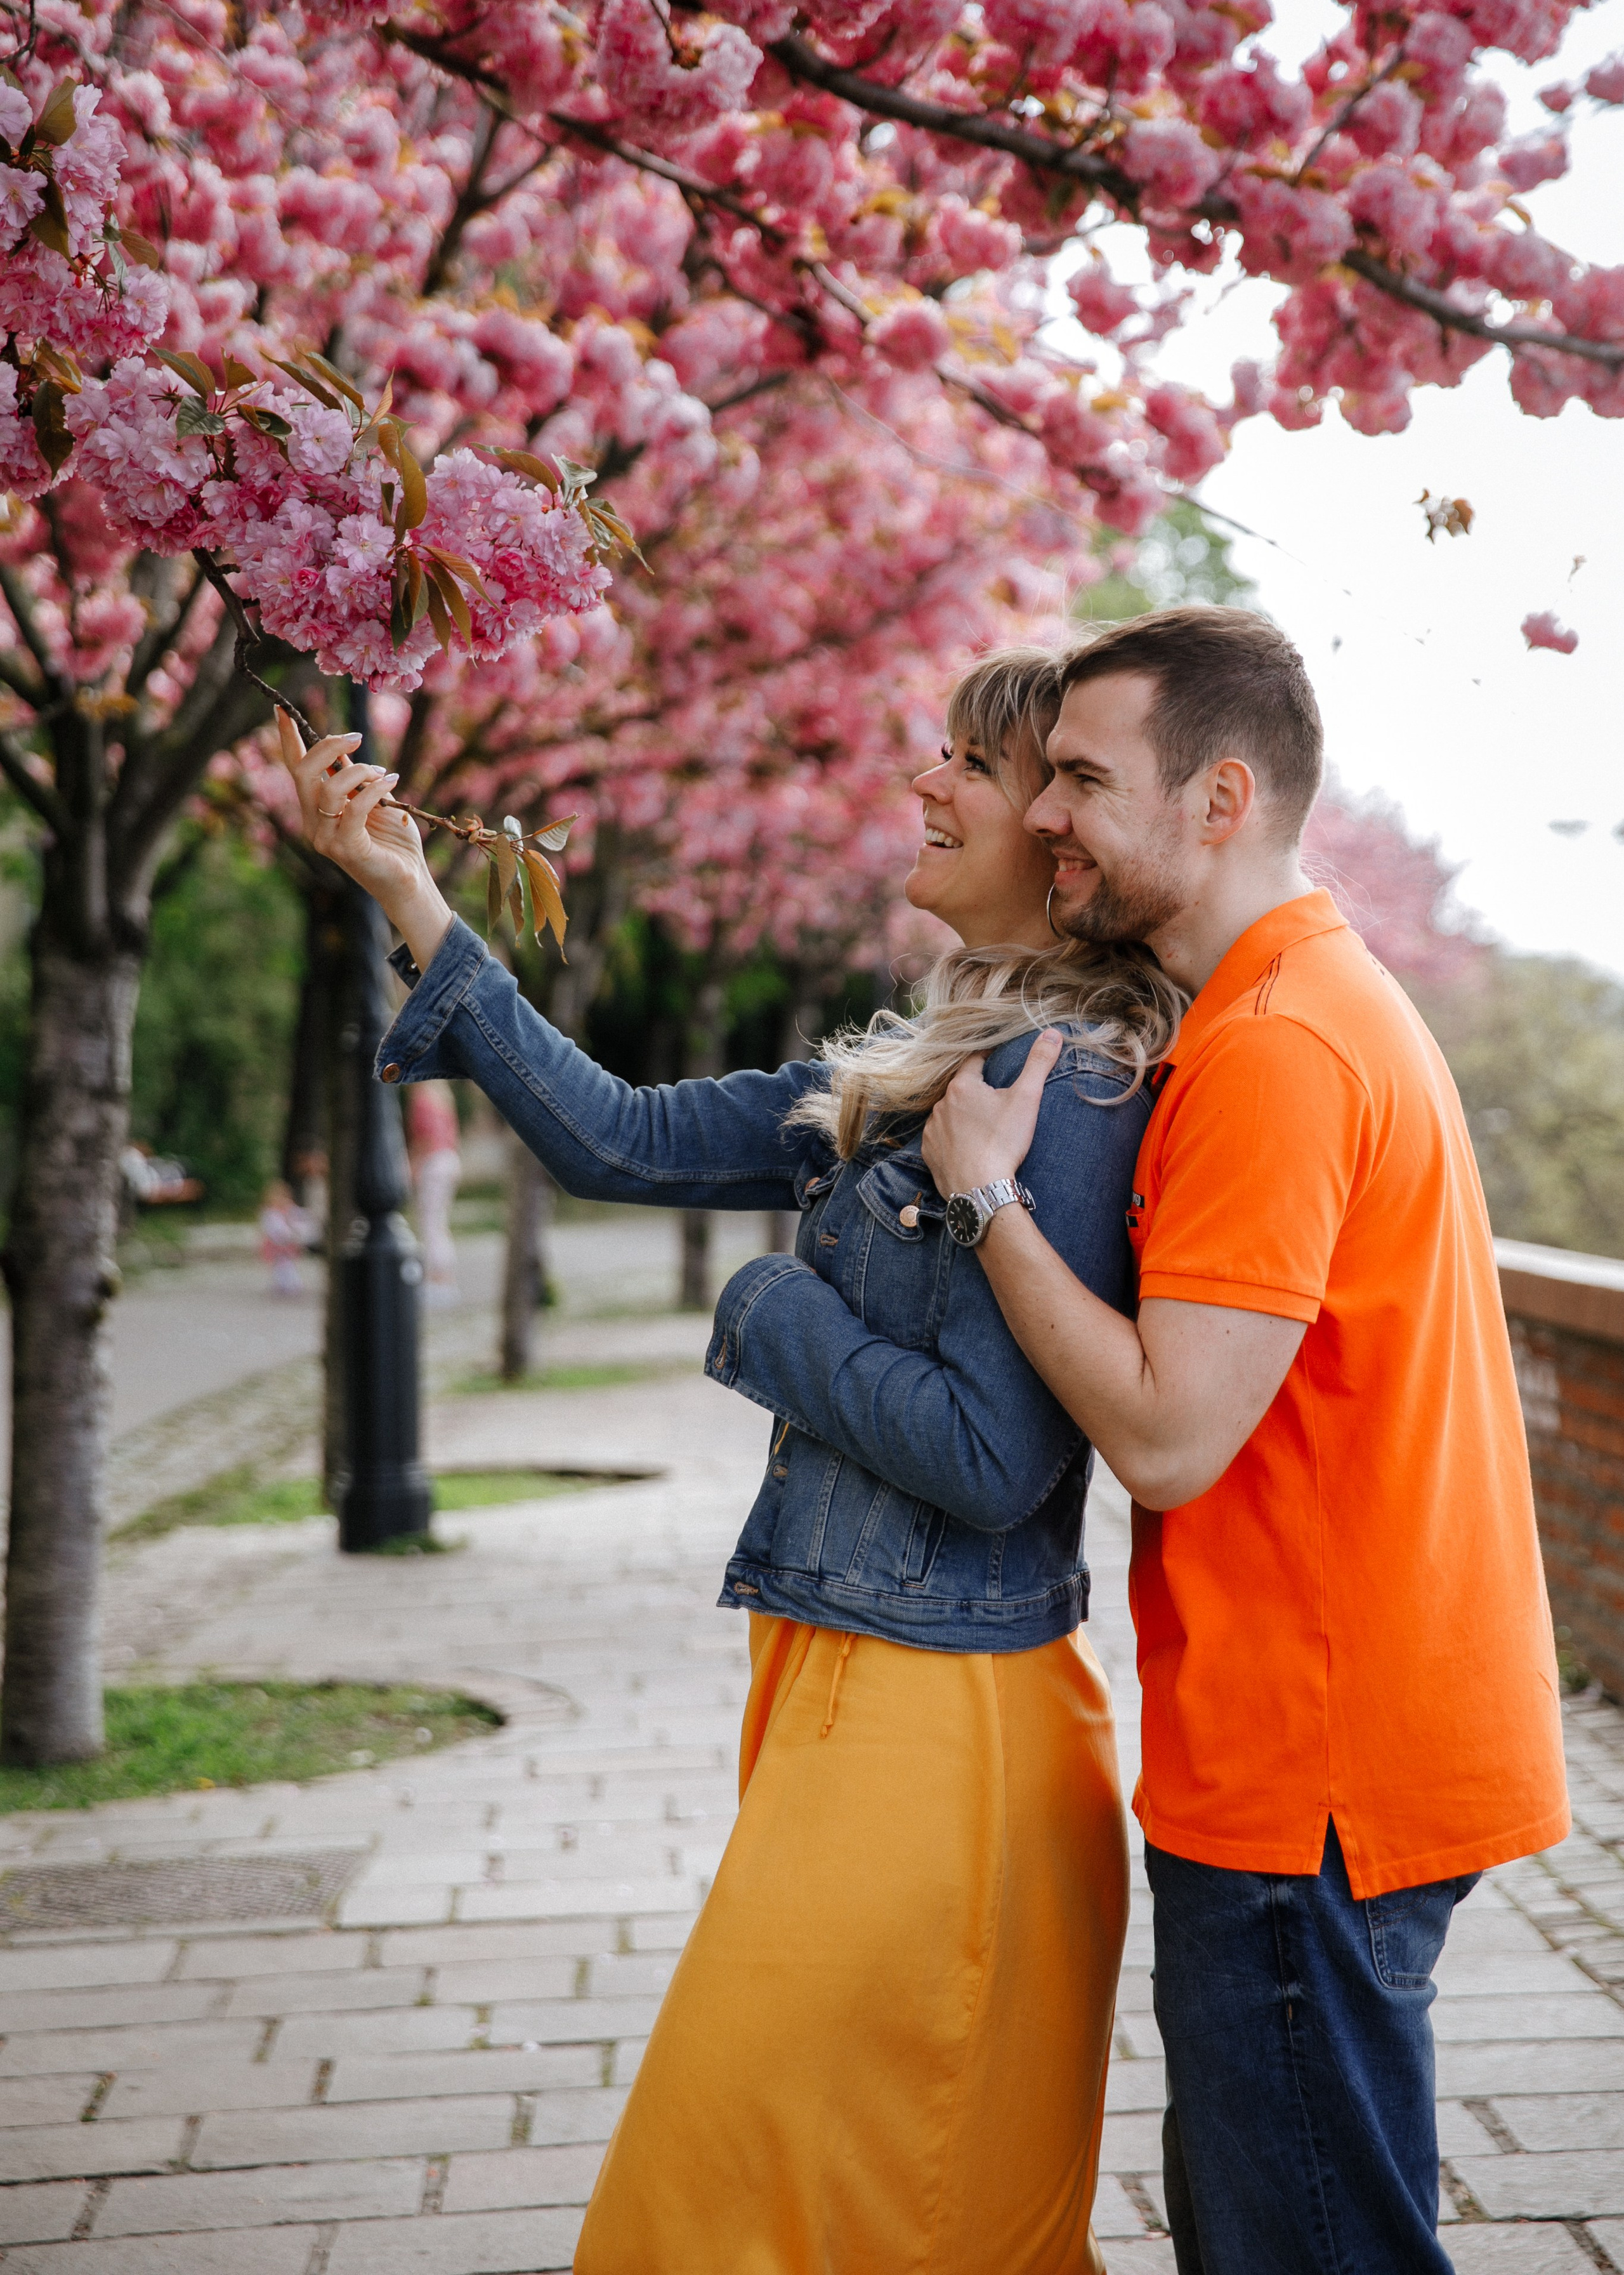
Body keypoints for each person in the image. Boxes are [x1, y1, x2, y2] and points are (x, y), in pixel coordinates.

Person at [277, 653, 1182, 2274]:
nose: (921, 785)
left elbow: (992, 1461)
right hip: (849, 1678)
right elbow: (615, 1130)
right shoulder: (917, 1068)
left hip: (939, 1719)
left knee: (712, 2208)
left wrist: (765, 1309)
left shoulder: (1061, 1092)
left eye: (966, 765)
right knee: (880, 2212)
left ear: (1055, 833)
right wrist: (407, 889)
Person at [919, 606, 1570, 2275]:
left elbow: (1170, 1438)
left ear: (1218, 800)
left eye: (1080, 774)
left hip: (1313, 1783)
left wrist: (986, 1197)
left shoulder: (1276, 1049)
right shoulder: (1308, 1000)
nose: (1044, 810)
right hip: (1349, 1753)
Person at [405, 1078, 462, 1306]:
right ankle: (444, 1278)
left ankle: (437, 1280)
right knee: (439, 1223)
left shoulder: (421, 1101)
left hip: (433, 1163)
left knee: (429, 1223)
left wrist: (414, 1166)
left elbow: (425, 1139)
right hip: (449, 1160)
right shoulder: (443, 1100)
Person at [257, 1177, 314, 1296]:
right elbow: (271, 1227)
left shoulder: (290, 1209)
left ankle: (292, 1282)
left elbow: (301, 1217)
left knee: (288, 1263)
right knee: (279, 1265)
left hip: (288, 1242)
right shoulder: (270, 1212)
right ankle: (282, 1283)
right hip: (275, 1243)